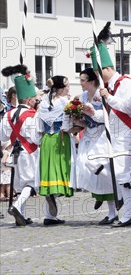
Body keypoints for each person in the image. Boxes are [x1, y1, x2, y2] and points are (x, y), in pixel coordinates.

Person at [96, 29, 131, 228]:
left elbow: (128, 107)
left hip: (126, 135)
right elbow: (108, 114)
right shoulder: (108, 87)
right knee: (96, 165)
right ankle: (120, 203)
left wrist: (108, 97)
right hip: (111, 135)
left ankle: (127, 214)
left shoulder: (125, 83)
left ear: (107, 68)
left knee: (122, 175)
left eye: (98, 71)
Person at [76, 67, 118, 225]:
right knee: (89, 169)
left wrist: (93, 113)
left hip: (101, 136)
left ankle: (113, 210)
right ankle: (99, 196)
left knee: (103, 172)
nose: (80, 83)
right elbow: (83, 119)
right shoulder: (83, 96)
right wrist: (77, 120)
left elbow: (109, 117)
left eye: (82, 80)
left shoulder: (101, 95)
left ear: (92, 81)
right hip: (89, 136)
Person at [0, 65, 40, 226]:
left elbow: (3, 137)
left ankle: (21, 215)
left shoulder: (7, 115)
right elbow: (35, 138)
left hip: (14, 153)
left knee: (20, 183)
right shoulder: (32, 115)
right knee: (31, 183)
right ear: (29, 99)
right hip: (29, 152)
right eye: (35, 99)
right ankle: (16, 206)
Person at [37, 74, 75, 225]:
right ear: (60, 89)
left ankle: (49, 216)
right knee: (63, 170)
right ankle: (55, 195)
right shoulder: (65, 103)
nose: (68, 89)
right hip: (61, 138)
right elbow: (66, 126)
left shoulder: (44, 103)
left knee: (49, 172)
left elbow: (39, 126)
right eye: (66, 86)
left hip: (46, 139)